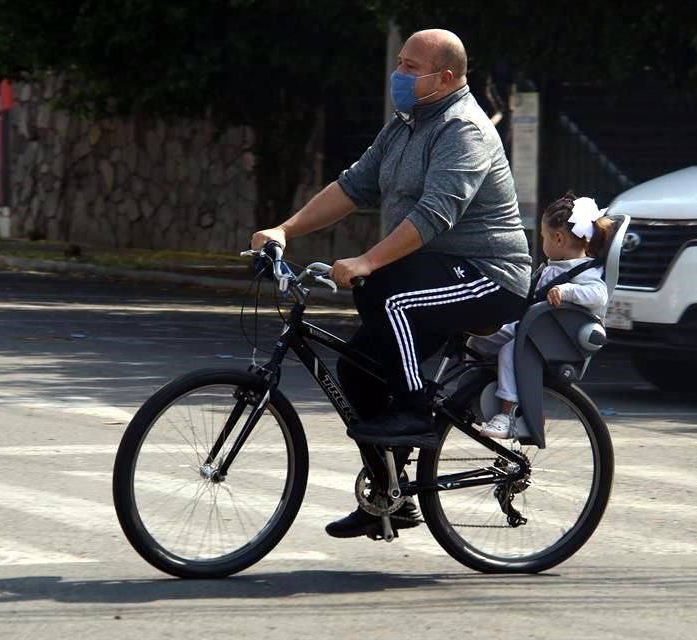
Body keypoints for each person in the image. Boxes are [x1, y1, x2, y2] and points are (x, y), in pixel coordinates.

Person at [251, 29, 531, 539]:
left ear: (445, 78)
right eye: (399, 63)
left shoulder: (463, 129)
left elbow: (435, 215)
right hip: (436, 278)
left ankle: (414, 411)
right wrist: (284, 230)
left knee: (384, 286)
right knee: (357, 373)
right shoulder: (405, 125)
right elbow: (353, 185)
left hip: (490, 278)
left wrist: (367, 260)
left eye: (409, 67)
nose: (398, 75)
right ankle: (391, 496)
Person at [472, 193, 614, 439]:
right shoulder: (554, 265)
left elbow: (599, 295)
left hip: (552, 335)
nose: (543, 242)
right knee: (478, 340)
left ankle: (508, 414)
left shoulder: (584, 270)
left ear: (558, 238)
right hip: (532, 327)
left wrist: (567, 291)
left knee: (509, 352)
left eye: (544, 237)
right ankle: (477, 393)